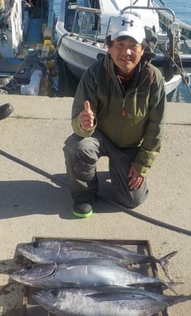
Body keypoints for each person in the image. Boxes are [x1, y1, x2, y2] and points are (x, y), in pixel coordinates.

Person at [63, 13, 166, 218]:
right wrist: (84, 124)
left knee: (131, 200)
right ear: (108, 47)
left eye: (133, 45)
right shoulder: (93, 74)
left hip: (130, 146)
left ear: (143, 49)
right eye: (119, 44)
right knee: (78, 146)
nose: (126, 52)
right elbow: (77, 119)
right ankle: (84, 195)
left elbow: (156, 127)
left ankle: (120, 168)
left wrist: (141, 164)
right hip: (99, 137)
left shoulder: (154, 78)